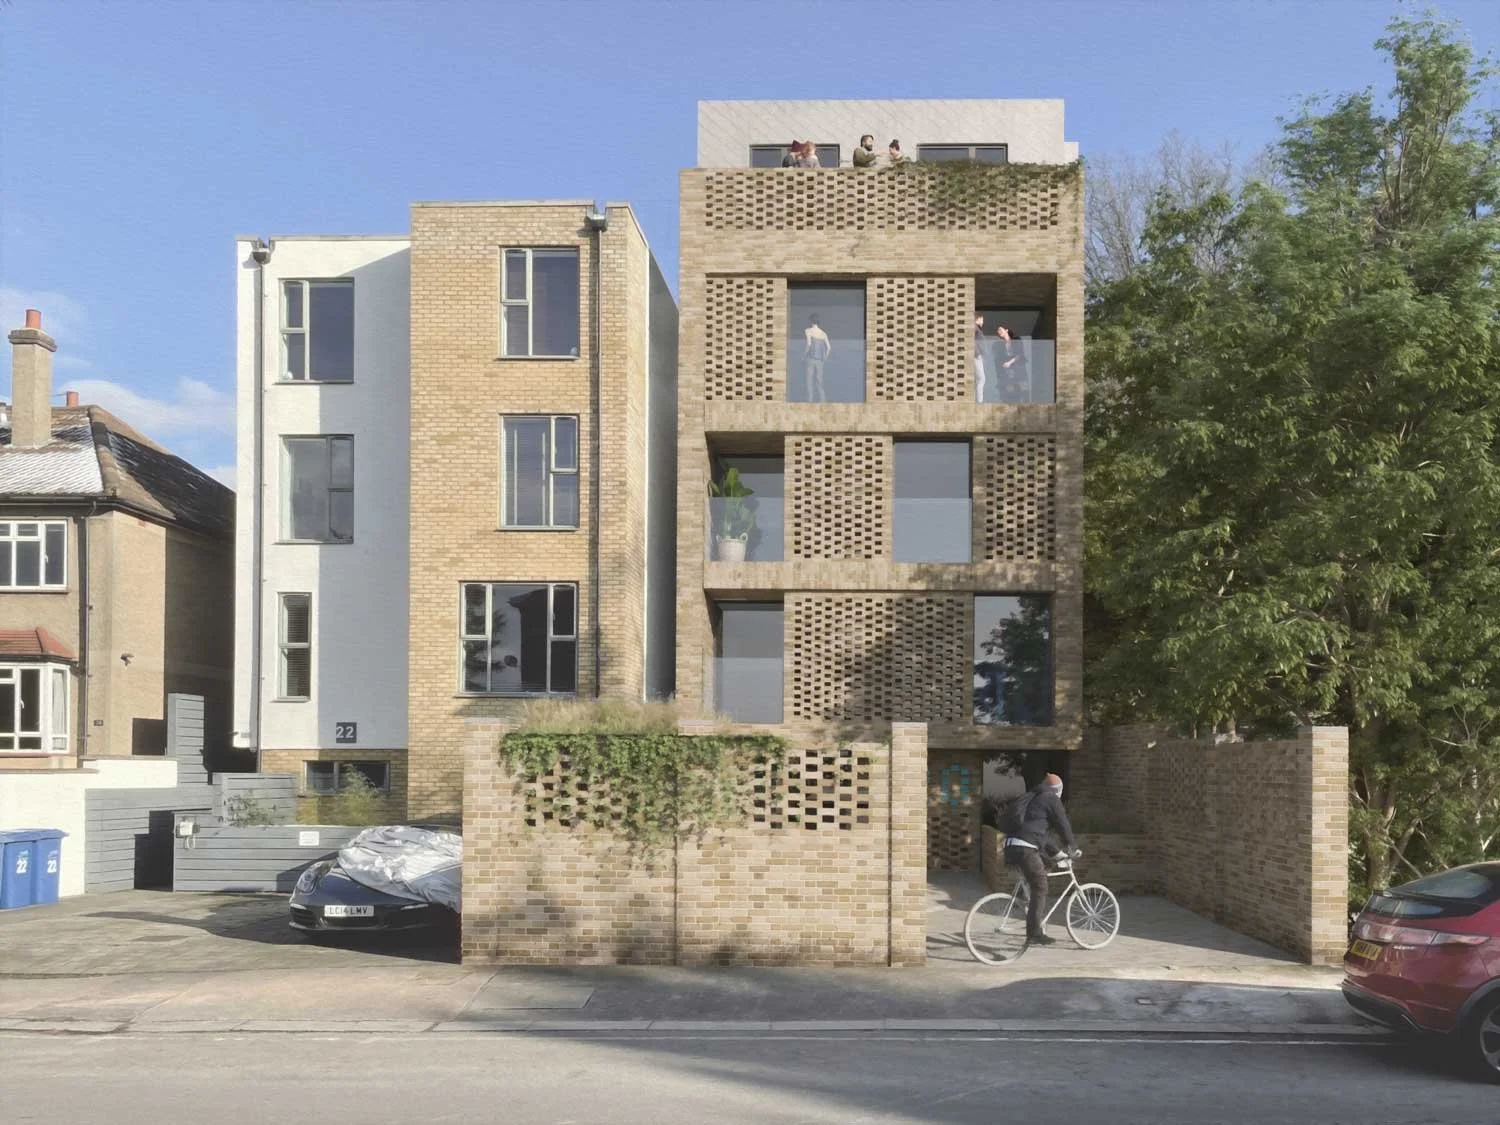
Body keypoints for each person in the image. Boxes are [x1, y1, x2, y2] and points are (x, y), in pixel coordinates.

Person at [1002, 773, 1080, 945]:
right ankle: (1035, 934)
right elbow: (1063, 823)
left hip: (1011, 845)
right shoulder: (1051, 798)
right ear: (1058, 790)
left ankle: (1024, 896)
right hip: (1025, 848)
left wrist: (1058, 854)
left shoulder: (1034, 799)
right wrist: (1072, 847)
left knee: (1043, 866)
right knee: (1041, 886)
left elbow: (1041, 837)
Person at [803, 313, 831, 402]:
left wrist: (803, 356)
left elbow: (808, 344)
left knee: (809, 381)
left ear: (811, 321)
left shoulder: (808, 331)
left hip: (810, 359)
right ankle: (823, 401)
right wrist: (825, 358)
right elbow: (829, 348)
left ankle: (810, 401)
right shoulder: (823, 333)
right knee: (819, 381)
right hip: (820, 361)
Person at [974, 314, 989, 402]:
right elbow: (970, 340)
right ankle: (979, 401)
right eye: (982, 319)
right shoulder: (974, 327)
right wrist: (977, 354)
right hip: (976, 356)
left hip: (978, 357)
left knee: (978, 379)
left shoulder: (977, 328)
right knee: (981, 379)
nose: (983, 322)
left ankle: (977, 400)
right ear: (978, 318)